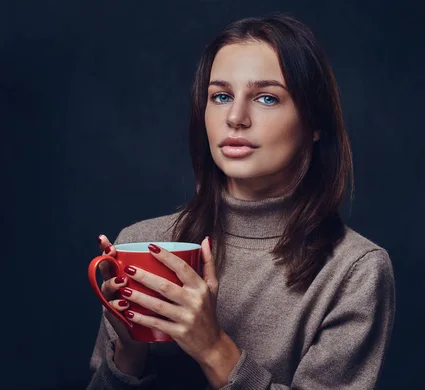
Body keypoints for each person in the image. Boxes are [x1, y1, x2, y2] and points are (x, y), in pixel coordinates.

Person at [87, 13, 396, 390]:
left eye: (266, 98)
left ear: (315, 124)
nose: (235, 117)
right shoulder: (141, 241)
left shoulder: (354, 272)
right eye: (220, 96)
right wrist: (129, 353)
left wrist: (214, 348)